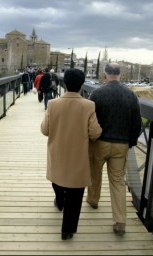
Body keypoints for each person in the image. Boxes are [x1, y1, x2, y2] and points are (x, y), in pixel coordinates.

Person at [41, 68, 102, 241]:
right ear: (82, 84)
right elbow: (95, 133)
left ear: (64, 83)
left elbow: (45, 130)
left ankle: (60, 200)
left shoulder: (53, 104)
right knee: (76, 193)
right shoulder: (89, 105)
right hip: (78, 156)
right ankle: (67, 231)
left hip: (58, 153)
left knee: (58, 179)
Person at [86, 62, 141, 236]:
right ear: (120, 75)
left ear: (105, 75)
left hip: (99, 143)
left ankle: (93, 199)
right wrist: (130, 142)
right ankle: (119, 221)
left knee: (95, 173)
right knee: (118, 182)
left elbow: (89, 120)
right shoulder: (131, 95)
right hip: (121, 145)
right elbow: (137, 123)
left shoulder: (97, 94)